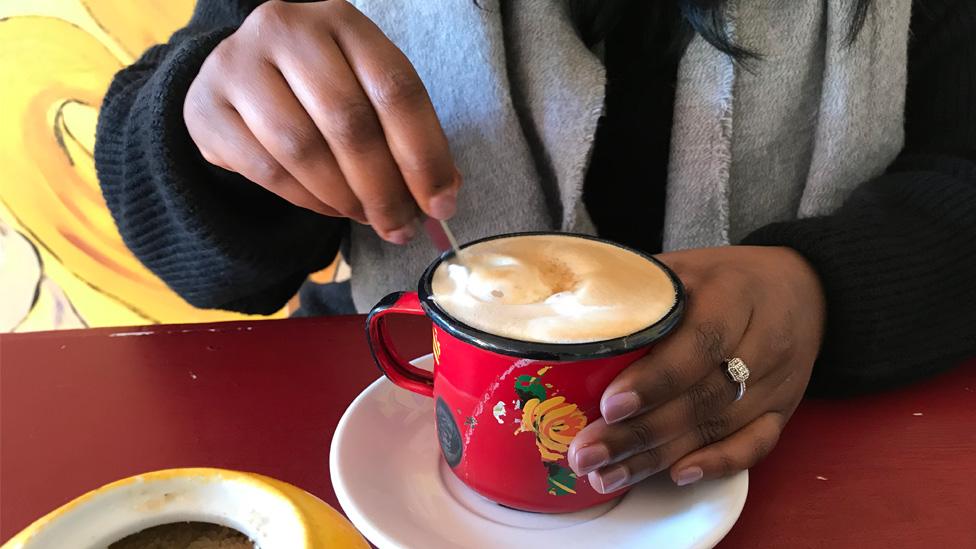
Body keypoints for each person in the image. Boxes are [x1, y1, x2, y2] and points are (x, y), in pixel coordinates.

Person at [95, 0, 976, 494]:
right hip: (351, 424)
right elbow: (178, 231)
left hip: (803, 458)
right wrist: (206, 124)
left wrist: (825, 285)